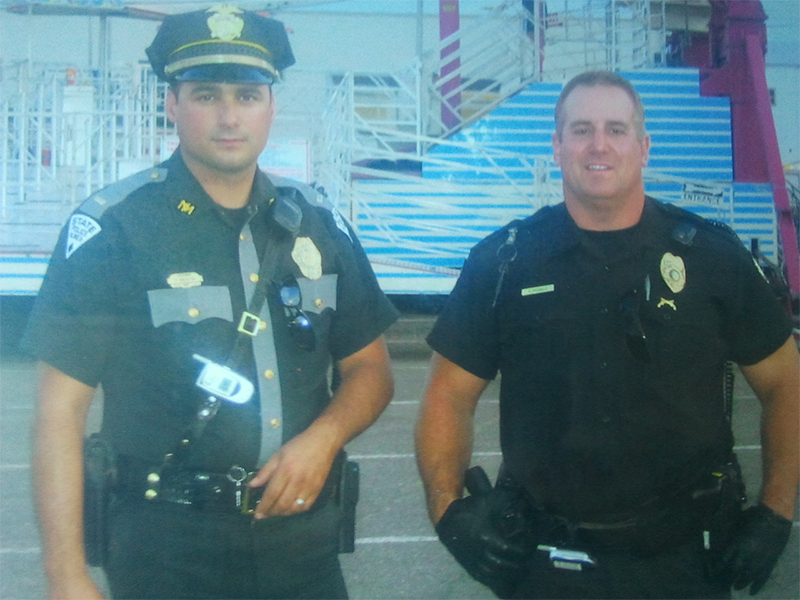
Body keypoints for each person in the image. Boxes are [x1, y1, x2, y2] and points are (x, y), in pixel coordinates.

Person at [24, 7, 399, 600]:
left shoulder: (319, 226)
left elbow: (370, 371)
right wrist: (65, 574)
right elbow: (58, 414)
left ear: (271, 105)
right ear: (172, 105)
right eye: (206, 95)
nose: (229, 116)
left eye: (248, 95)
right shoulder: (114, 231)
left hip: (302, 547)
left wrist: (324, 438)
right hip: (166, 549)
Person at [415, 70, 800, 600]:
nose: (599, 145)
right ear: (556, 145)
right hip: (544, 563)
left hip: (687, 561)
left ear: (643, 147)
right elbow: (447, 396)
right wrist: (447, 509)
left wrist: (776, 511)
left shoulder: (712, 257)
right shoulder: (504, 262)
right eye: (581, 130)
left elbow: (785, 383)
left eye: (616, 129)